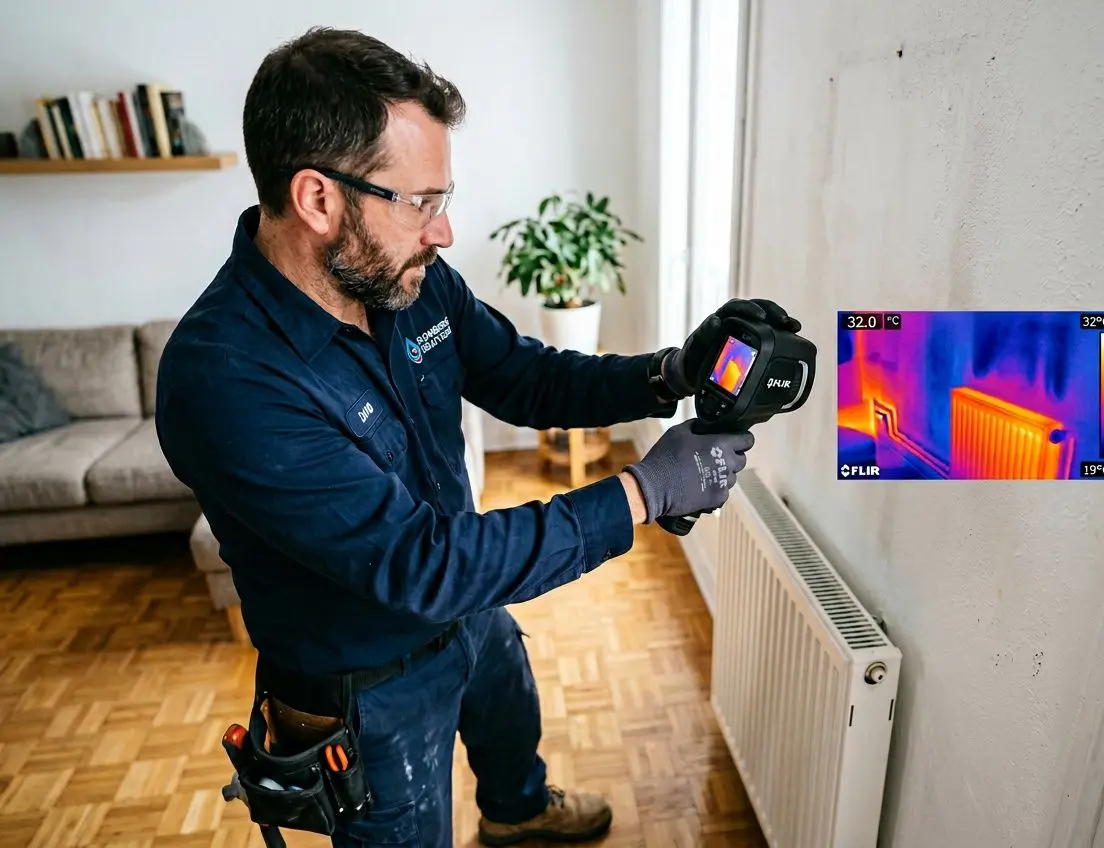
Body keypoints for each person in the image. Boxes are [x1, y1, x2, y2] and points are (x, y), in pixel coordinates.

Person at [154, 27, 799, 848]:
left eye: (443, 199)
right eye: (420, 202)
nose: (443, 231)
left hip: (473, 611)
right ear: (317, 199)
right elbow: (421, 565)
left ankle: (516, 813)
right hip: (370, 690)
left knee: (509, 727)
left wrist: (669, 372)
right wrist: (644, 492)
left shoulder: (405, 280)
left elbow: (525, 375)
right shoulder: (225, 379)